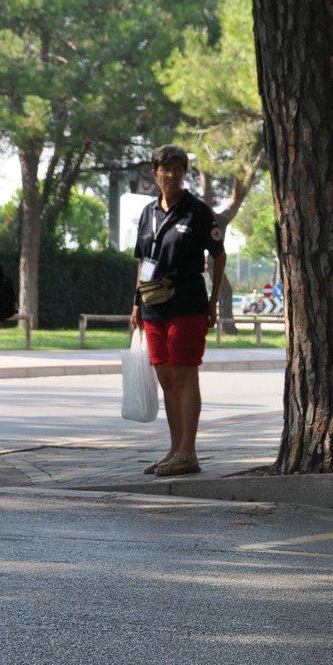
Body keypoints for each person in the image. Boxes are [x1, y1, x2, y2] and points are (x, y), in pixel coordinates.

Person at [128, 145, 227, 477]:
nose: (170, 175)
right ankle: (174, 450)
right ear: (154, 172)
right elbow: (144, 261)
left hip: (187, 301)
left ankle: (189, 452)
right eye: (164, 169)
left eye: (177, 169)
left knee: (185, 375)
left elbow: (219, 254)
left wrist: (213, 302)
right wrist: (136, 303)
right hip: (154, 303)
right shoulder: (147, 213)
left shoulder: (197, 211)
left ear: (185, 173)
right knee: (166, 377)